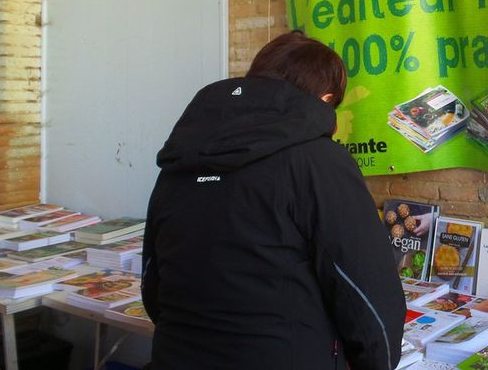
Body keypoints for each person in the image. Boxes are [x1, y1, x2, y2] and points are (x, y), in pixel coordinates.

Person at [142, 31, 406, 370]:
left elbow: (153, 282)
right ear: (325, 101)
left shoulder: (182, 158)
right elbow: (368, 293)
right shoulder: (318, 161)